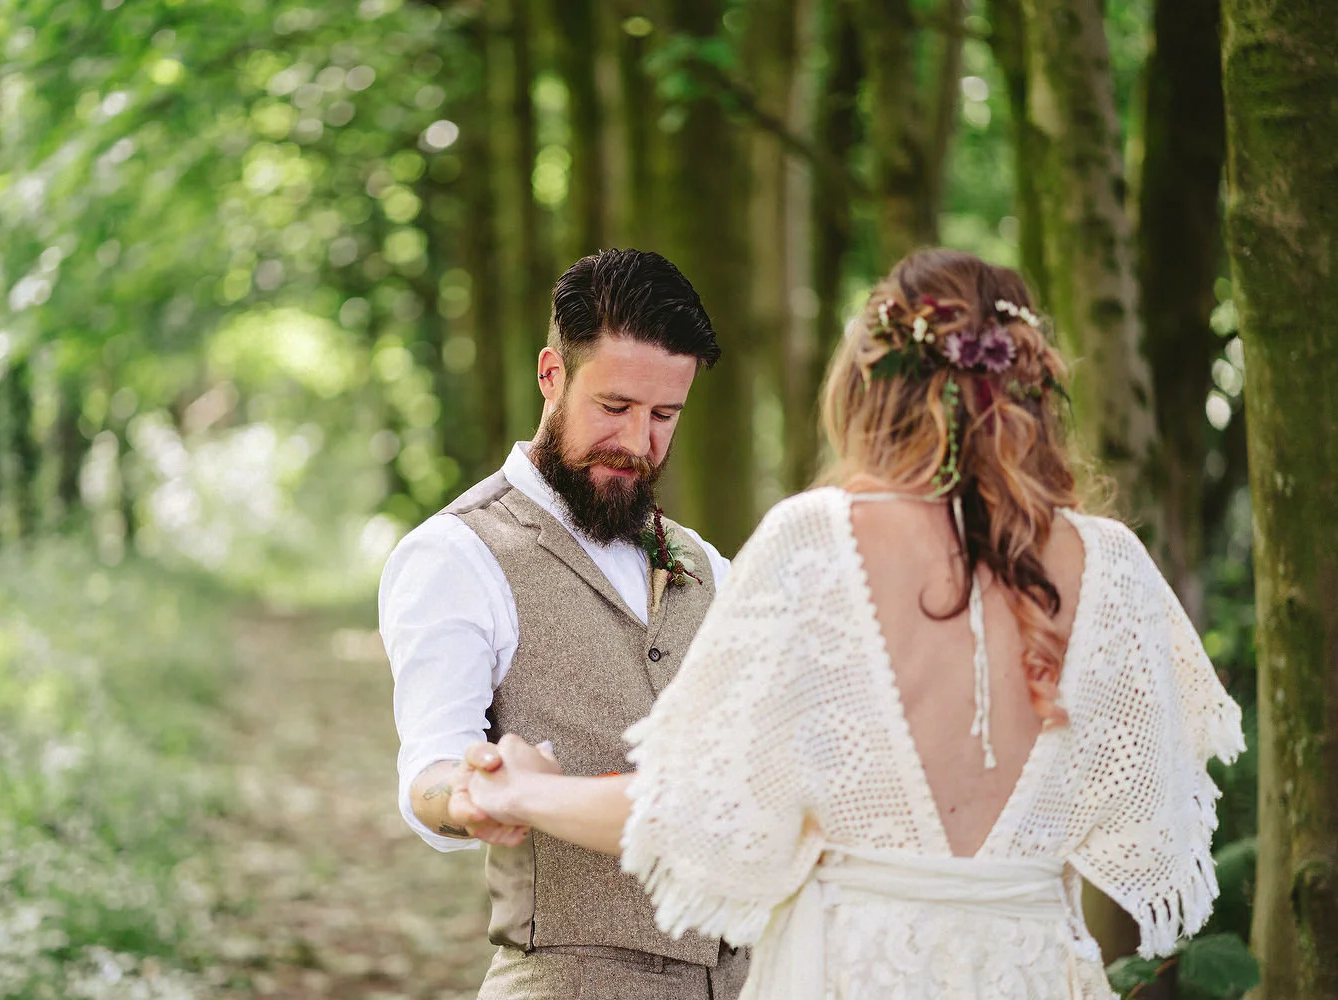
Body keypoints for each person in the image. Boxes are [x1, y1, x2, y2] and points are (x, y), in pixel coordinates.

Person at [462, 248, 1244, 1000]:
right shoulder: (1112, 565)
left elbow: (696, 808)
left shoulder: (820, 545)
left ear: (868, 384)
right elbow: (1142, 797)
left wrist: (526, 793)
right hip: (1033, 967)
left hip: (857, 970)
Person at [379, 249, 751, 998]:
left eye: (665, 415)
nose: (639, 442)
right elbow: (428, 771)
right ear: (553, 375)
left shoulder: (707, 562)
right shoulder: (456, 554)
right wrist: (475, 792)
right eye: (615, 407)